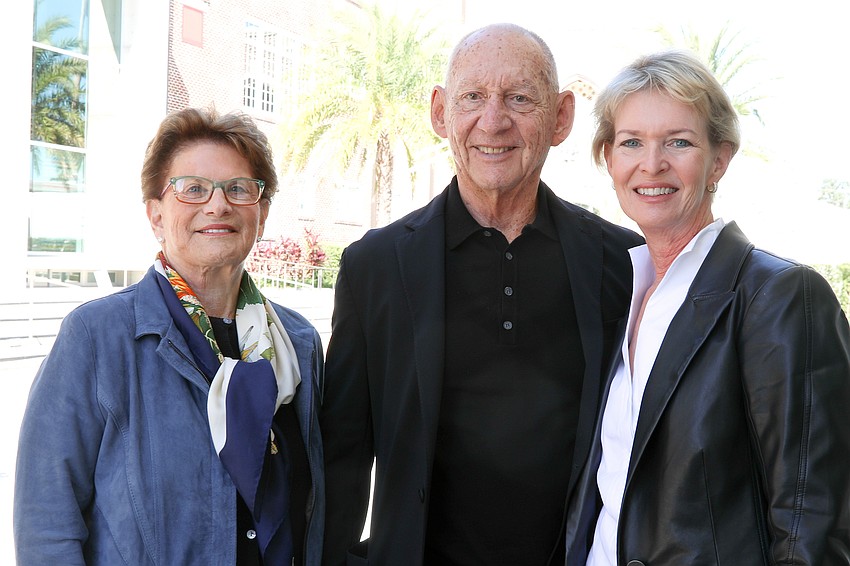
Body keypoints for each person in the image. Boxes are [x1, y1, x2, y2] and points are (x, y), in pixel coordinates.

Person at [320, 23, 643, 566]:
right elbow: (343, 457)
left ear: (561, 117)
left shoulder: (622, 263)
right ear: (440, 112)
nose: (493, 121)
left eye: (520, 98)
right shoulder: (374, 266)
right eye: (473, 97)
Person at [564, 51, 850, 565]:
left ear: (720, 158)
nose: (652, 164)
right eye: (632, 142)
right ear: (609, 158)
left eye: (679, 142)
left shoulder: (779, 296)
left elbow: (813, 522)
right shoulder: (619, 294)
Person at [14, 107, 325, 565]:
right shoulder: (97, 338)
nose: (217, 205)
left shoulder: (297, 343)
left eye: (238, 189)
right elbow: (47, 521)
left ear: (260, 213)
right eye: (193, 189)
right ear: (156, 215)